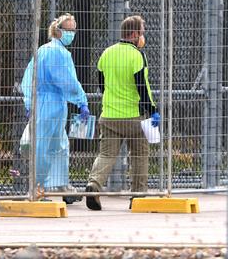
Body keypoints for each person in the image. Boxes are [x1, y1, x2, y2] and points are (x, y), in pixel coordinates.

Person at [85, 15, 161, 211]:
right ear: (135, 34)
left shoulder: (107, 53)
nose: (143, 36)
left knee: (106, 155)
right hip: (134, 117)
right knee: (139, 156)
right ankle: (138, 196)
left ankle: (94, 185)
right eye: (142, 32)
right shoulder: (137, 55)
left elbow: (101, 84)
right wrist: (153, 110)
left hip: (109, 115)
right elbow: (142, 87)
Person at [21, 13, 90, 203]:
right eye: (69, 30)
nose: (72, 33)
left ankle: (60, 184)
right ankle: (38, 188)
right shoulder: (58, 53)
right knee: (45, 147)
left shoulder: (43, 50)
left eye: (74, 29)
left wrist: (29, 102)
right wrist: (81, 100)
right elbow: (67, 81)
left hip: (47, 103)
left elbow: (28, 79)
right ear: (59, 31)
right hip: (51, 105)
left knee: (59, 145)